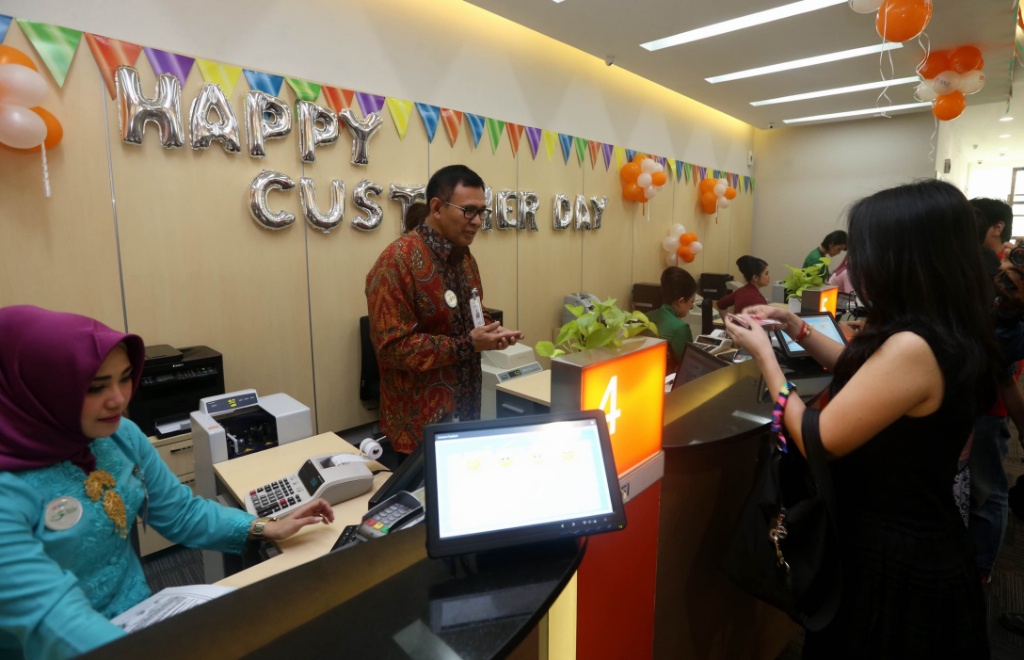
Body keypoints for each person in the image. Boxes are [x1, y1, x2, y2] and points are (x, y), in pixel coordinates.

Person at [725, 180, 1000, 656]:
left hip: (896, 555)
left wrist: (766, 359)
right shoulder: (940, 326)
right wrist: (795, 327)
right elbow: (862, 371)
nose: (854, 269)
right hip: (904, 532)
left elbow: (817, 438)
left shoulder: (914, 345)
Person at [0, 305, 335, 659]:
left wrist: (265, 527)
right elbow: (51, 618)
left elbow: (180, 512)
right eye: (96, 387)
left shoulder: (120, 436)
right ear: (39, 389)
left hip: (140, 617)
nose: (119, 399)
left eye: (125, 378)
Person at [365, 165, 524, 453]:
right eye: (469, 211)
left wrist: (491, 331)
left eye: (482, 212)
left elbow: (473, 312)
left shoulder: (465, 258)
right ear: (437, 208)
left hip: (467, 413)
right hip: (418, 430)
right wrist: (468, 344)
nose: (477, 222)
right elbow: (392, 347)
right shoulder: (397, 261)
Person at [968, 196, 1024, 585]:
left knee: (987, 490)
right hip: (974, 395)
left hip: (991, 401)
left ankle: (982, 570)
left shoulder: (1006, 276)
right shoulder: (985, 269)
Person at [646, 266, 697, 370]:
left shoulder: (645, 317)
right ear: (681, 301)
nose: (691, 306)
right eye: (692, 301)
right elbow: (690, 367)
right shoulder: (681, 328)